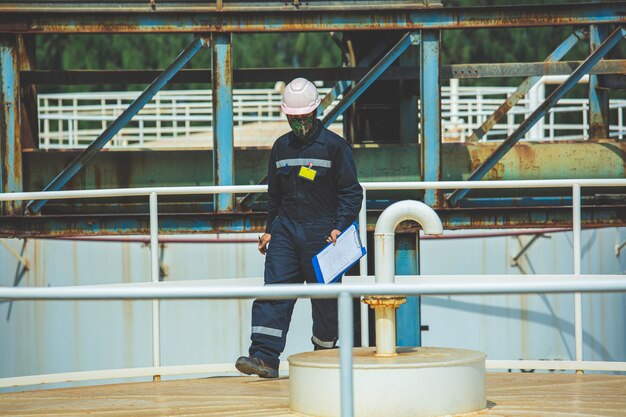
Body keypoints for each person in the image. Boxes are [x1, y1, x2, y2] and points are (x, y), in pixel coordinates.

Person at [235, 78, 363, 378]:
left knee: (325, 302)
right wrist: (270, 229)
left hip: (324, 234)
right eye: (294, 120)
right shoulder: (281, 147)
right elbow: (274, 195)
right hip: (286, 232)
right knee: (275, 293)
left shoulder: (335, 148)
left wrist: (340, 227)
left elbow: (351, 193)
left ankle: (326, 356)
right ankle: (264, 358)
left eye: (304, 120)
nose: (299, 125)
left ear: (315, 112)